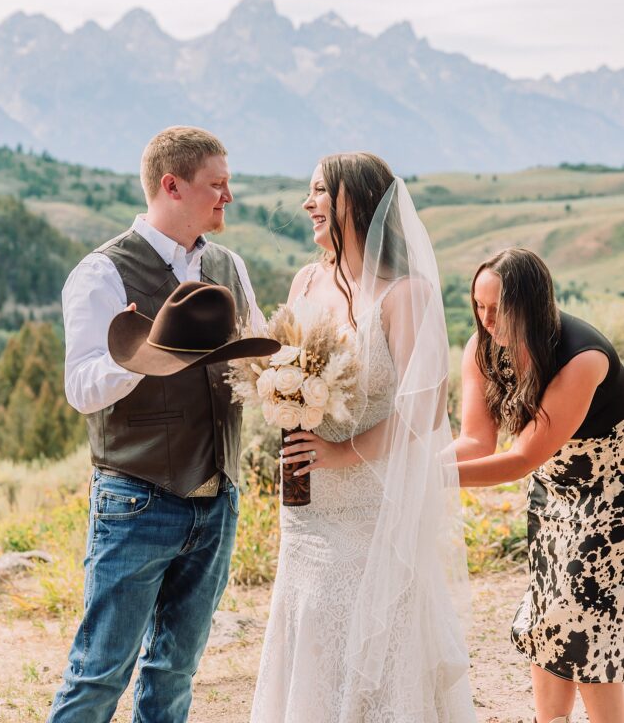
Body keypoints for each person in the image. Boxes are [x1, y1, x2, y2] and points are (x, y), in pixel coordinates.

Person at [48, 125, 269, 723]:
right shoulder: (101, 273)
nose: (228, 197)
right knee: (99, 674)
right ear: (172, 185)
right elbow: (81, 388)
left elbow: (258, 356)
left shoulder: (230, 265)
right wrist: (141, 360)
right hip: (136, 499)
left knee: (174, 672)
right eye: (216, 185)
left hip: (218, 499)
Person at [251, 152, 475, 723]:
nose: (307, 204)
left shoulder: (406, 294)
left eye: (320, 192)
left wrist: (341, 451)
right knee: (313, 632)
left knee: (370, 637)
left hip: (370, 505)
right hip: (305, 507)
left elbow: (425, 411)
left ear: (357, 201)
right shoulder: (306, 279)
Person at [454, 248, 624, 723]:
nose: (487, 321)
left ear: (531, 304)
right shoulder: (482, 346)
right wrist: (411, 466)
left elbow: (521, 458)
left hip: (610, 499)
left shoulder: (582, 357)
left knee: (589, 628)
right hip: (551, 495)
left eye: (498, 309)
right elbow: (475, 441)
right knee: (547, 615)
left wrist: (431, 481)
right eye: (479, 308)